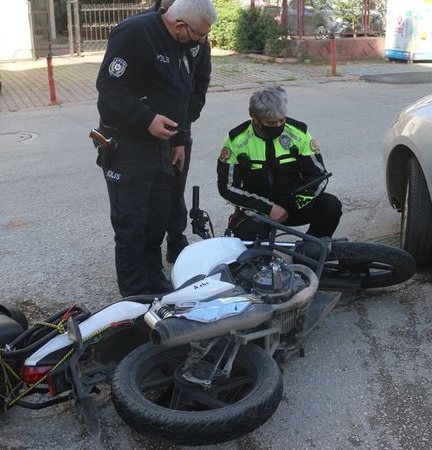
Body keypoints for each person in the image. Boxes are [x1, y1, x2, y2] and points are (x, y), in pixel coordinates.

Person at [95, 0, 217, 297]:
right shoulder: (135, 33)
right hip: (129, 147)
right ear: (180, 26)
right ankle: (135, 296)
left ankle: (155, 282)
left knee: (156, 221)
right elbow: (109, 86)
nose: (201, 42)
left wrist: (179, 139)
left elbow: (179, 93)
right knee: (131, 226)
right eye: (199, 36)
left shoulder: (181, 43)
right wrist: (146, 119)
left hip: (164, 146)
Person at [217, 86, 342, 240]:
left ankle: (310, 248)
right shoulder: (236, 140)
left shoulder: (299, 134)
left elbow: (319, 177)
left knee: (331, 206)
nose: (278, 126)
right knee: (248, 244)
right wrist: (268, 208)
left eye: (282, 120)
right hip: (258, 210)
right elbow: (227, 187)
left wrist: (296, 203)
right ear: (254, 117)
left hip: (295, 205)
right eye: (270, 123)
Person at [151, 0, 213, 263]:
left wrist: (185, 122)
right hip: (146, 130)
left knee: (175, 188)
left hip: (180, 129)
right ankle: (148, 253)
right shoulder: (145, 30)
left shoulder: (197, 36)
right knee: (151, 194)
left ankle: (176, 240)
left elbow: (200, 82)